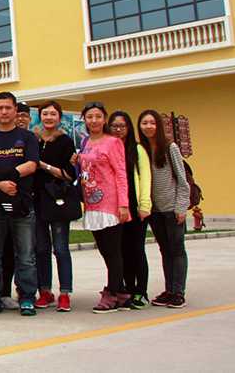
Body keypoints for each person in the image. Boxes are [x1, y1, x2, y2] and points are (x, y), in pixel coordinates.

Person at [0, 91, 39, 317]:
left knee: (26, 256)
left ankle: (27, 298)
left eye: (7, 107)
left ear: (15, 110)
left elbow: (32, 164)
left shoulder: (27, 137)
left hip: (22, 205)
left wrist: (9, 177)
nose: (3, 112)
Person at [78, 102, 131, 313]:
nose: (94, 121)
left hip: (110, 204)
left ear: (104, 119)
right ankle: (121, 292)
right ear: (84, 119)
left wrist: (123, 204)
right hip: (92, 203)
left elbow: (121, 173)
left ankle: (112, 293)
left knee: (113, 251)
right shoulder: (85, 142)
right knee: (104, 251)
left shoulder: (113, 142)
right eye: (89, 117)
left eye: (98, 116)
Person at [138, 110, 190, 308]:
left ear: (158, 125)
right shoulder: (141, 149)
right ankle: (169, 290)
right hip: (155, 211)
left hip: (172, 208)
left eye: (152, 123)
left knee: (177, 250)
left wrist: (181, 207)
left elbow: (182, 180)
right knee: (165, 250)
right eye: (144, 123)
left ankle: (178, 292)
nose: (148, 126)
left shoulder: (170, 147)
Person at [33, 101, 78, 312]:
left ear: (59, 117)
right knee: (41, 248)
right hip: (37, 199)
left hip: (58, 199)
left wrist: (43, 165)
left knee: (60, 249)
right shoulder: (33, 139)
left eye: (53, 114)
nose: (49, 117)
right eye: (45, 114)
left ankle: (65, 293)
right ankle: (45, 291)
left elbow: (68, 174)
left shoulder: (66, 141)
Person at [109, 110, 152, 309]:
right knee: (121, 250)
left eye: (122, 126)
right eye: (114, 126)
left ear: (128, 128)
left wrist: (145, 205)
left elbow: (146, 178)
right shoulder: (108, 148)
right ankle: (127, 288)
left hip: (134, 207)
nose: (118, 130)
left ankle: (140, 291)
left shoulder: (137, 149)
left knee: (136, 250)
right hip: (115, 207)